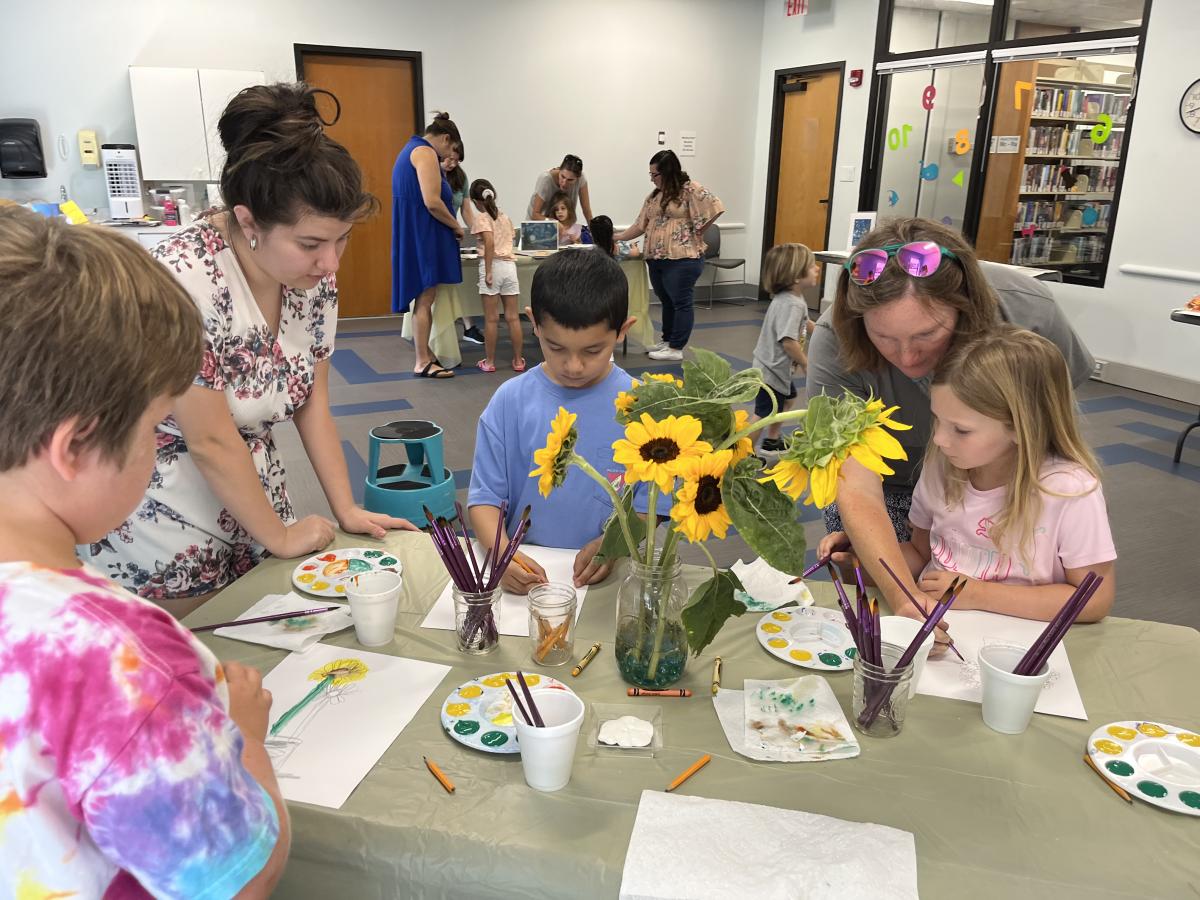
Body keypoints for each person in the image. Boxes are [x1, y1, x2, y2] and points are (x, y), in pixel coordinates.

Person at [0, 206, 288, 896]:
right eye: (158, 426)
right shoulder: (118, 659)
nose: (161, 445)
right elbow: (239, 880)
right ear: (75, 447)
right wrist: (246, 737)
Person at [84, 83, 417, 610]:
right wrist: (280, 536)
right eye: (310, 244)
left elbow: (313, 402)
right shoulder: (182, 279)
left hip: (255, 494)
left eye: (343, 239)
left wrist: (345, 506)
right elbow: (210, 440)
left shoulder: (313, 278)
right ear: (247, 222)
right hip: (167, 513)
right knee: (195, 668)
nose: (331, 263)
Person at [806, 216, 1094, 620]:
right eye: (884, 338)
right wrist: (903, 595)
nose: (907, 358)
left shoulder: (1029, 310)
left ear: (965, 311)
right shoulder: (834, 336)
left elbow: (1052, 420)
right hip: (896, 484)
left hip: (1000, 479)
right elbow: (857, 485)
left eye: (926, 335)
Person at [820, 325, 1116, 622]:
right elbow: (920, 554)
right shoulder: (942, 467)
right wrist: (862, 559)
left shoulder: (1069, 491)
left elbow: (1095, 601)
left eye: (961, 429)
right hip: (942, 630)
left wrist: (979, 594)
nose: (939, 440)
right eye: (937, 419)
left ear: (1022, 427)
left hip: (1022, 647)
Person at [467, 250, 638, 595]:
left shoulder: (644, 407)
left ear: (623, 331)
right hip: (527, 572)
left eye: (592, 351)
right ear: (534, 323)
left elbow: (655, 506)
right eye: (555, 346)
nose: (573, 366)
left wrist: (614, 544)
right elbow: (484, 497)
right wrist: (501, 554)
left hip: (614, 575)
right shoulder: (509, 401)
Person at [615, 149, 724, 361]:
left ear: (667, 172)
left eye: (655, 174)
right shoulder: (654, 196)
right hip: (657, 258)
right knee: (666, 300)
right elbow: (640, 225)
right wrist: (617, 237)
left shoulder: (689, 189)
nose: (652, 179)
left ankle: (676, 347)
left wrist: (701, 228)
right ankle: (667, 340)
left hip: (683, 258)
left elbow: (715, 207)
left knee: (681, 301)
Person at [392, 111, 465, 379]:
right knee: (425, 298)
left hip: (419, 231)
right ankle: (422, 360)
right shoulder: (424, 152)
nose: (448, 157)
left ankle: (425, 354)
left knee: (424, 298)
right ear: (445, 138)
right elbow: (432, 201)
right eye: (451, 150)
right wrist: (456, 226)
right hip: (424, 233)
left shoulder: (413, 149)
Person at [752, 243, 819, 453]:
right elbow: (788, 341)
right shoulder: (791, 304)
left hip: (778, 369)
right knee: (763, 413)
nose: (817, 268)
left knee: (788, 400)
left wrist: (822, 331)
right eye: (811, 266)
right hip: (771, 370)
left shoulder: (794, 299)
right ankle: (740, 451)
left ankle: (772, 440)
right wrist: (806, 363)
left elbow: (805, 323)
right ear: (796, 276)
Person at [469, 178, 524, 373]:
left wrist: (489, 271)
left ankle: (490, 362)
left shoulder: (482, 218)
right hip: (510, 267)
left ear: (476, 201)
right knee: (513, 317)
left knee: (491, 319)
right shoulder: (505, 217)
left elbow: (489, 243)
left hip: (492, 266)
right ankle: (518, 360)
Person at [443, 139, 484, 346]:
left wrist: (479, 230)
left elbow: (466, 209)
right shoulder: (431, 172)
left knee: (460, 280)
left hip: (453, 234)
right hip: (437, 233)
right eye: (450, 158)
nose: (452, 164)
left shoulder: (461, 177)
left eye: (456, 161)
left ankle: (468, 326)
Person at [527, 153, 593, 223]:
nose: (564, 183)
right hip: (537, 225)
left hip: (564, 225)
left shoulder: (581, 179)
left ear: (578, 178)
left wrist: (594, 231)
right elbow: (535, 215)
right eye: (562, 176)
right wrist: (554, 223)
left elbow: (586, 210)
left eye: (570, 180)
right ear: (559, 169)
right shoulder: (545, 179)